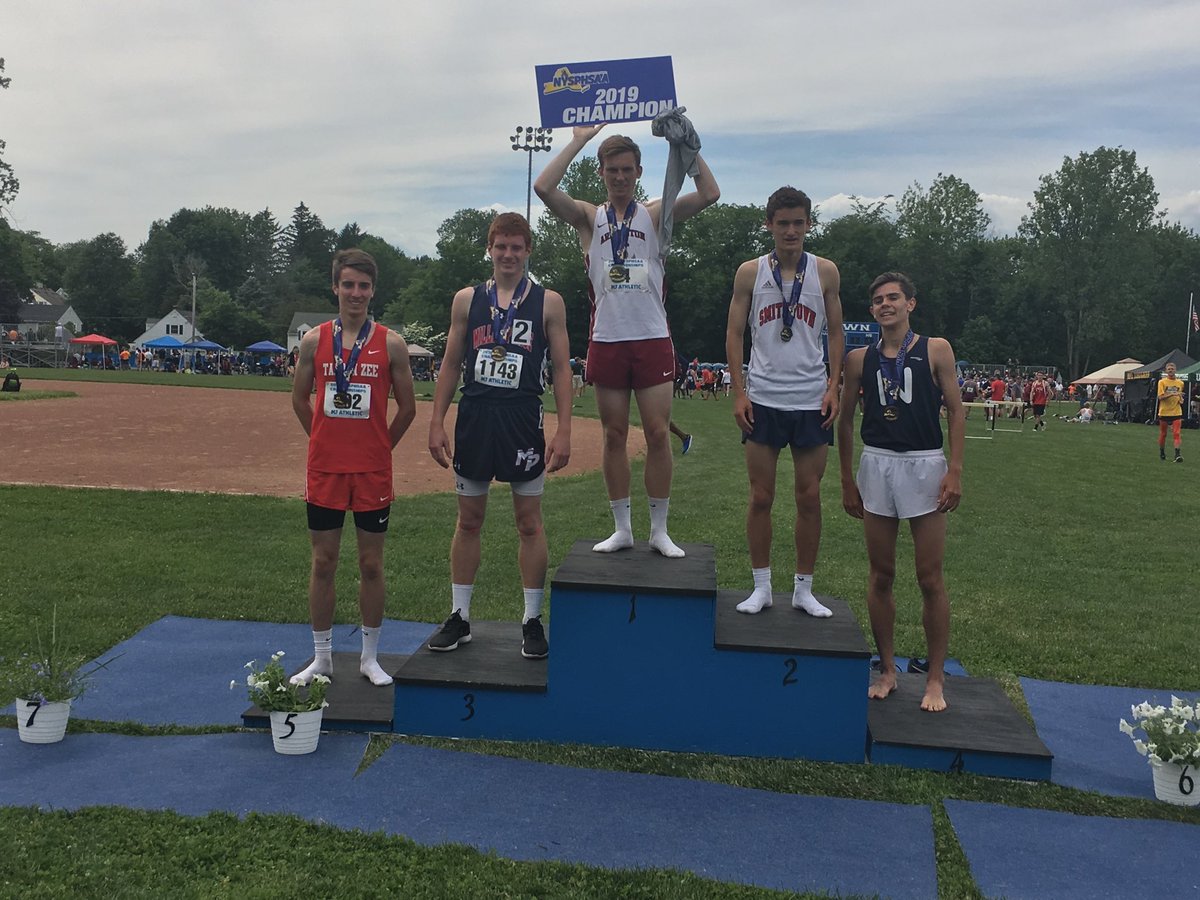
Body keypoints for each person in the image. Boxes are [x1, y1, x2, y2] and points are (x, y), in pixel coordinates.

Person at [534, 125, 720, 558]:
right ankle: (622, 528)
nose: (620, 177)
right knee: (613, 434)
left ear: (639, 172)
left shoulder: (655, 214)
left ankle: (659, 529)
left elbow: (710, 193)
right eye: (612, 170)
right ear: (601, 173)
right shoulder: (588, 217)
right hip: (608, 339)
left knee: (657, 433)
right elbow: (544, 187)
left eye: (627, 170)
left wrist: (688, 148)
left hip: (652, 337)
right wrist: (579, 139)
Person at [426, 213, 572, 658]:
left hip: (522, 417)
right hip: (476, 415)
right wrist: (436, 420)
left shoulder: (548, 302)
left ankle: (531, 620)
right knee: (468, 520)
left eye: (517, 246)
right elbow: (451, 363)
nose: (508, 254)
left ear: (528, 250)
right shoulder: (466, 300)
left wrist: (564, 428)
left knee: (529, 523)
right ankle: (460, 616)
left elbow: (563, 368)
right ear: (489, 249)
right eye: (501, 246)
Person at [289, 248, 417, 686]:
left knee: (371, 565)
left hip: (371, 472)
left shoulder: (391, 343)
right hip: (325, 470)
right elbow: (299, 398)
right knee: (323, 562)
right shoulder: (314, 341)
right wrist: (322, 439)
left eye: (363, 286)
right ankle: (322, 657)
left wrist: (380, 448)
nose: (355, 293)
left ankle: (369, 657)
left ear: (372, 290)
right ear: (335, 288)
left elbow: (407, 409)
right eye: (348, 285)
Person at [837, 272, 963, 712]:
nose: (885, 304)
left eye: (893, 297)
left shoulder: (936, 348)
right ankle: (888, 669)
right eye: (877, 300)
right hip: (877, 463)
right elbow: (845, 421)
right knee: (881, 575)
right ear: (872, 310)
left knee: (929, 576)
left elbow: (957, 411)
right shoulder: (858, 358)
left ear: (911, 303)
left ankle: (934, 679)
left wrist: (955, 470)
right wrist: (847, 479)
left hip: (925, 463)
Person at [725, 186, 844, 617]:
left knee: (809, 496)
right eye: (783, 223)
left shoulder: (826, 272)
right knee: (760, 497)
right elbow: (734, 333)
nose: (791, 230)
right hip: (764, 399)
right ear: (769, 225)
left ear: (809, 224)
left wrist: (833, 387)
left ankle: (803, 589)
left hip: (811, 399)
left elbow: (835, 332)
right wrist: (739, 391)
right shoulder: (749, 272)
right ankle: (761, 587)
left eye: (799, 222)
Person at [1157, 361, 1185, 462]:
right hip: (1164, 412)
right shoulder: (1162, 382)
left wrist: (1180, 399)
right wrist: (1172, 394)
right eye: (1169, 369)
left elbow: (1180, 395)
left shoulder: (1180, 383)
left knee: (1176, 433)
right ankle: (1162, 452)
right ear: (1166, 371)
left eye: (1172, 369)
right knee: (1163, 434)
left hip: (1176, 412)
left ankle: (1177, 454)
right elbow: (1160, 397)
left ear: (1175, 370)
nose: (1170, 371)